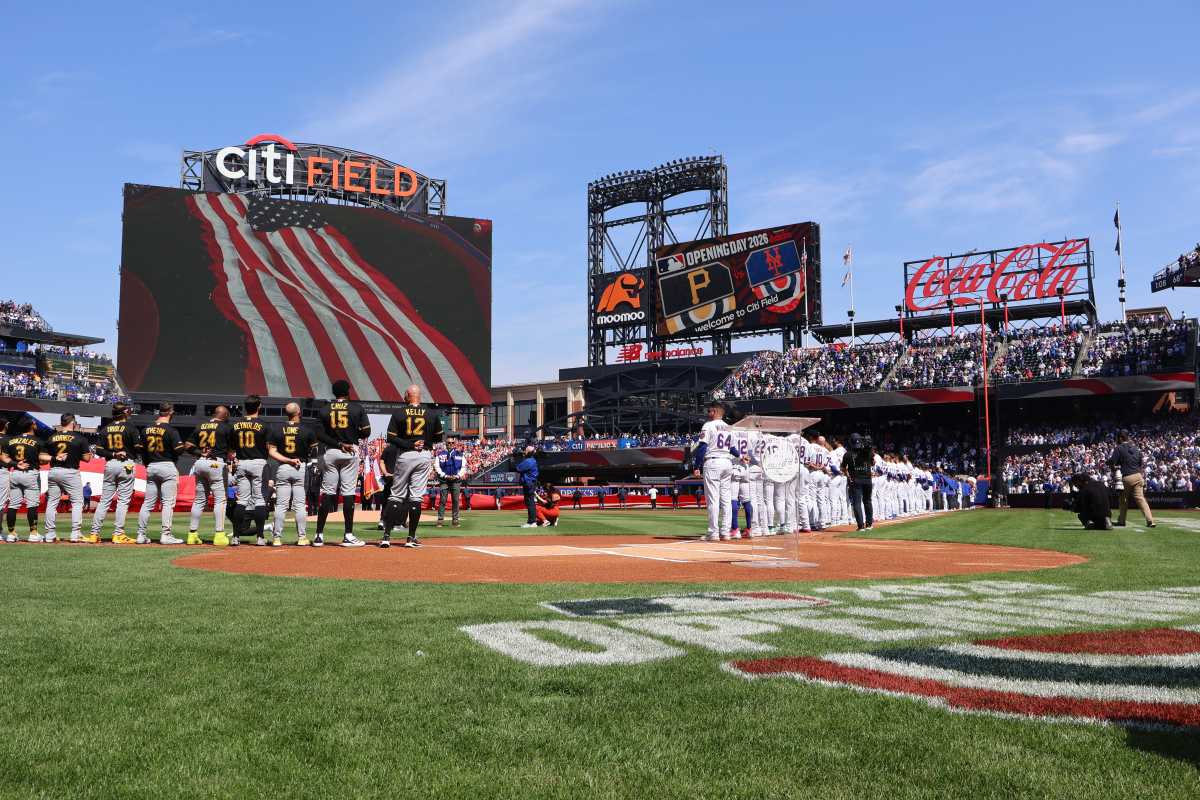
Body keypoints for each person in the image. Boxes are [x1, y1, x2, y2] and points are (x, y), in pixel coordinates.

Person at [383, 384, 443, 547]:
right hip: (423, 455)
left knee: (396, 495)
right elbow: (439, 437)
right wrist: (423, 441)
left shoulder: (399, 413)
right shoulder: (431, 414)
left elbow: (391, 437)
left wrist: (409, 444)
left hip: (405, 454)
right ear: (420, 396)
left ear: (407, 396)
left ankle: (386, 537)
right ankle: (410, 538)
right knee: (416, 496)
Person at [316, 379, 372, 547]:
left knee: (327, 492)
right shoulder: (356, 408)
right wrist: (351, 434)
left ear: (334, 393)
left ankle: (319, 535)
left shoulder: (325, 409)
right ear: (348, 392)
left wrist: (338, 443)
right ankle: (348, 534)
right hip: (350, 451)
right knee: (348, 493)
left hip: (331, 451)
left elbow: (319, 434)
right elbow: (366, 431)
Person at [90, 402, 141, 544]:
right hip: (126, 464)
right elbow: (138, 448)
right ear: (125, 412)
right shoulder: (131, 427)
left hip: (110, 463)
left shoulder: (105, 429)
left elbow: (98, 450)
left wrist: (113, 453)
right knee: (123, 501)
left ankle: (94, 534)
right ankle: (118, 534)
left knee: (104, 500)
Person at [136, 402, 186, 544]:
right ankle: (166, 535)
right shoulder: (171, 430)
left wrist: (147, 464)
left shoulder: (146, 429)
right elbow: (179, 450)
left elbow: (141, 450)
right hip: (167, 465)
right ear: (170, 412)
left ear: (159, 412)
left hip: (151, 466)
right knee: (167, 503)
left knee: (147, 503)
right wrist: (184, 446)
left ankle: (140, 535)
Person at [268, 402, 317, 546]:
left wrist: (288, 460)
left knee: (281, 505)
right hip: (299, 466)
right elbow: (314, 452)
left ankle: (277, 538)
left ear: (286, 413)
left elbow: (271, 452)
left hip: (284, 466)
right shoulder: (307, 430)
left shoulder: (277, 429)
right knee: (300, 505)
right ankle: (302, 538)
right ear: (299, 412)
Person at [184, 405, 232, 546]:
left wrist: (200, 453)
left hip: (200, 463)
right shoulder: (225, 428)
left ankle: (192, 535)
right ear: (224, 415)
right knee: (220, 500)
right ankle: (219, 535)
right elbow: (231, 450)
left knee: (199, 500)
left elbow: (187, 445)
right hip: (216, 464)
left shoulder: (200, 426)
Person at [229, 395, 271, 546]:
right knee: (259, 500)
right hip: (258, 462)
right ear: (259, 406)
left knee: (242, 500)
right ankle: (260, 537)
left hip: (242, 462)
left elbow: (231, 448)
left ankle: (235, 537)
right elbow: (269, 447)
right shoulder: (264, 425)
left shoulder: (235, 425)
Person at [44, 413, 92, 543]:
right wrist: (75, 454)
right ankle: (75, 533)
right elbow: (87, 458)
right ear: (73, 422)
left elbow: (43, 457)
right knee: (77, 502)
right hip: (70, 472)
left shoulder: (52, 437)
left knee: (52, 502)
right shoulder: (79, 437)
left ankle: (49, 534)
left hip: (53, 471)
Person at [692, 400, 734, 542]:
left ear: (715, 411)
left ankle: (713, 533)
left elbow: (702, 447)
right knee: (726, 500)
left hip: (713, 462)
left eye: (709, 411)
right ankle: (726, 532)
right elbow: (732, 448)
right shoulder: (729, 427)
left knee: (713, 500)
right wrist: (741, 456)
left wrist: (697, 466)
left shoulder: (708, 425)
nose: (708, 413)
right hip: (727, 463)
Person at [4, 417, 44, 542]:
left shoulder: (11, 440)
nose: (36, 423)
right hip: (30, 473)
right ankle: (33, 533)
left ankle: (11, 533)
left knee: (13, 505)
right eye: (34, 422)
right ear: (31, 425)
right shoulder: (38, 440)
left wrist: (15, 464)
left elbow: (5, 457)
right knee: (32, 504)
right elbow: (42, 459)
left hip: (15, 472)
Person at [1107, 431, 1156, 528]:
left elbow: (1112, 461)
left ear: (1121, 438)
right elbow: (1140, 463)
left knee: (1123, 500)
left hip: (1127, 477)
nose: (1116, 440)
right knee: (1141, 499)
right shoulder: (1135, 448)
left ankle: (1121, 521)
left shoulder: (1119, 448)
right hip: (1138, 476)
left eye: (1117, 438)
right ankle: (1150, 520)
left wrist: (1110, 465)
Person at [842, 434, 875, 531]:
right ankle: (869, 524)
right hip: (868, 479)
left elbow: (843, 467)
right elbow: (873, 463)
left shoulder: (847, 454)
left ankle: (861, 526)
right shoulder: (867, 452)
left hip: (856, 480)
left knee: (857, 503)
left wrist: (848, 476)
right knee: (867, 501)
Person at [434, 435, 467, 528]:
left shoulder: (460, 454)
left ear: (455, 444)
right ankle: (440, 520)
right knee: (442, 500)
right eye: (448, 443)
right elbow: (437, 467)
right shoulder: (440, 454)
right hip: (444, 480)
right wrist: (445, 475)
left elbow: (464, 467)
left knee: (456, 501)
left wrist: (457, 476)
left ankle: (455, 520)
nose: (450, 444)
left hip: (456, 480)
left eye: (452, 443)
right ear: (446, 444)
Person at [515, 445, 539, 528]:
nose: (524, 452)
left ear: (528, 452)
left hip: (529, 483)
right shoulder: (531, 460)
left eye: (525, 451)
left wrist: (521, 458)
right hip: (530, 483)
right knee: (530, 502)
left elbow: (518, 468)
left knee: (530, 502)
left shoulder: (529, 461)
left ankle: (532, 522)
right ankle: (531, 521)